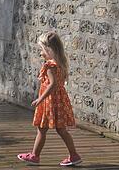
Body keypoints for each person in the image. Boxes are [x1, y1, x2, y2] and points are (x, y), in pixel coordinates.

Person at [17, 31, 82, 166]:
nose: (40, 52)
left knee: (42, 128)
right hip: (59, 101)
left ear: (49, 49)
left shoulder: (50, 66)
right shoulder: (60, 63)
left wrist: (40, 99)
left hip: (50, 102)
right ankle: (74, 155)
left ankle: (35, 156)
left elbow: (52, 85)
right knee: (61, 129)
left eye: (42, 49)